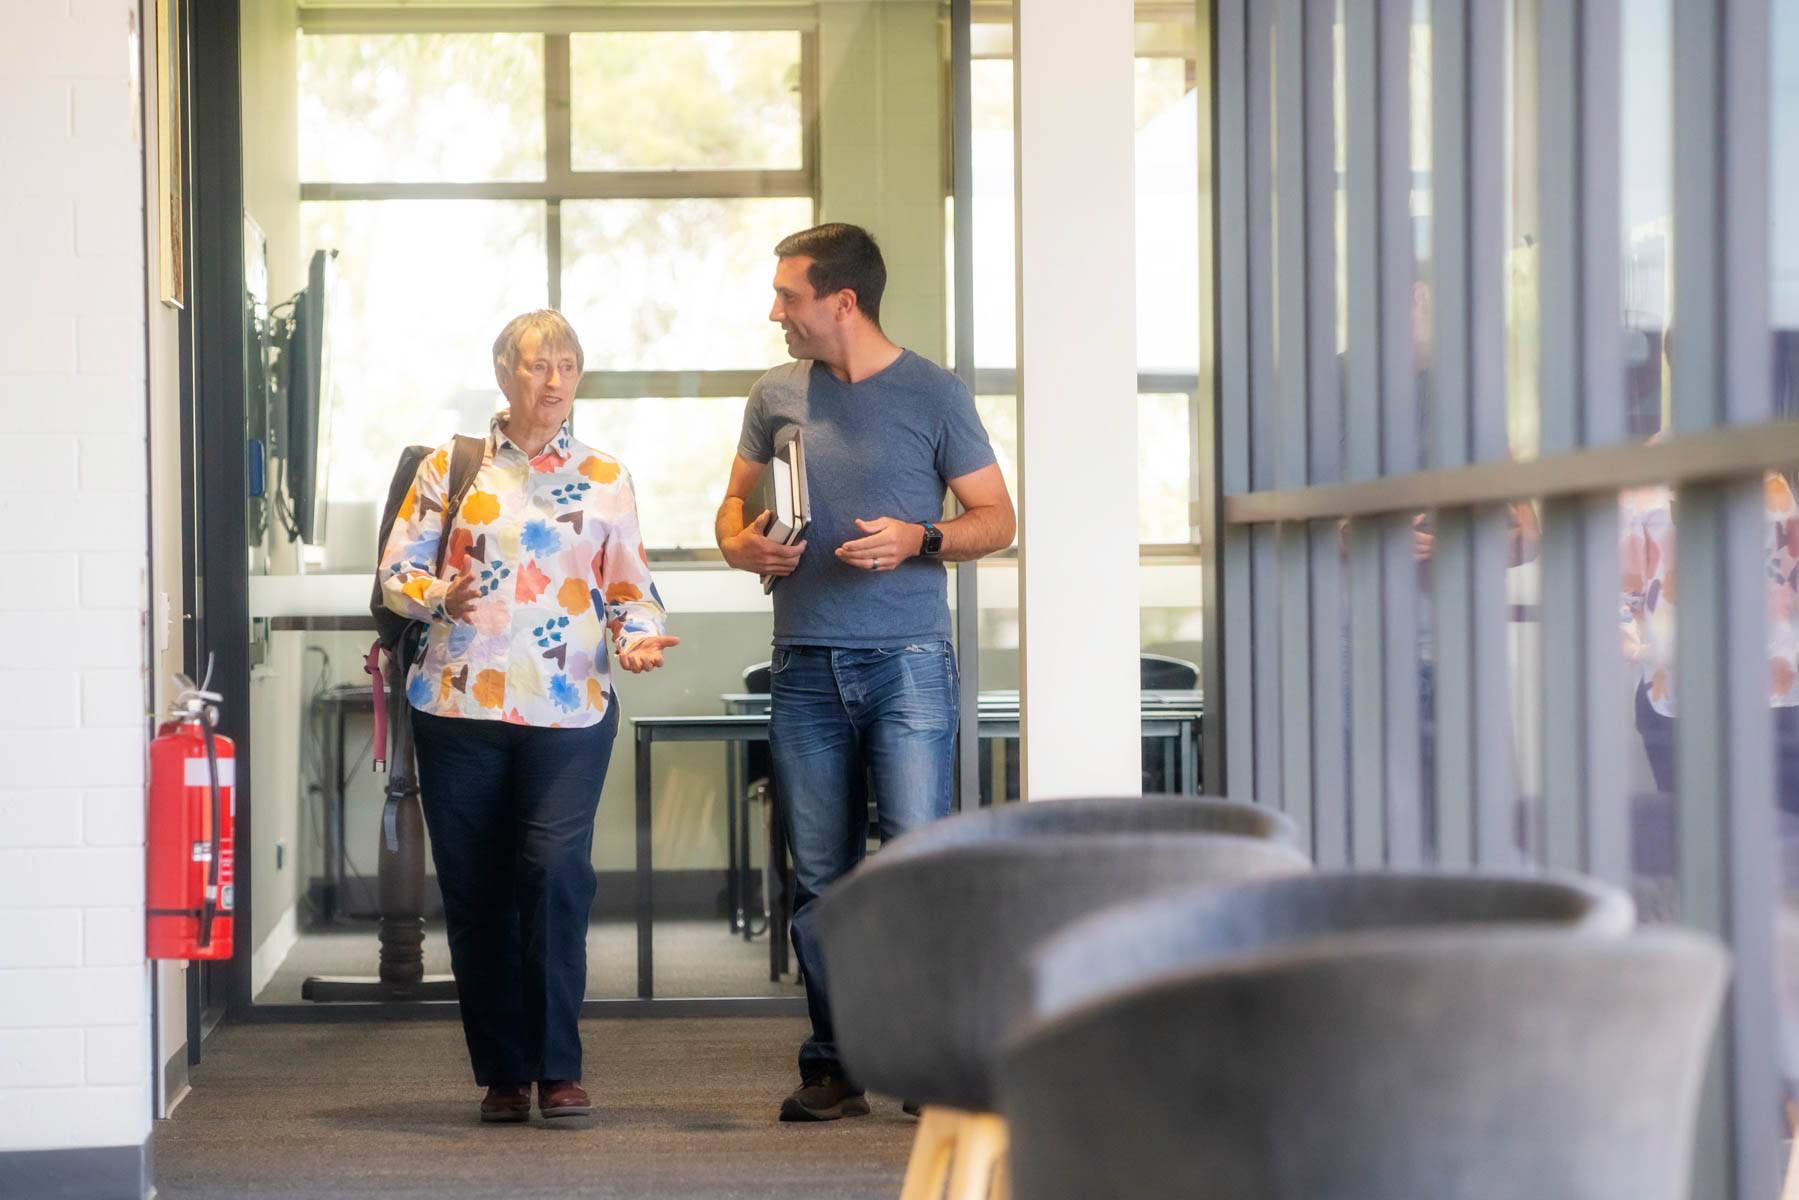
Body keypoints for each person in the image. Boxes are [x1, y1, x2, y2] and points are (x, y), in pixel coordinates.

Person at [714, 224, 1015, 1121]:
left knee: (917, 867)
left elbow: (996, 519)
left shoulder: (932, 393)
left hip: (909, 666)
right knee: (821, 878)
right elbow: (732, 506)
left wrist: (920, 538)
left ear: (841, 301)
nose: (776, 313)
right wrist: (743, 548)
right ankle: (834, 1061)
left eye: (788, 297)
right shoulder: (774, 395)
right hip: (803, 666)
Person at [379, 310, 678, 1124]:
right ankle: (504, 1074)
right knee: (477, 893)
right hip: (457, 701)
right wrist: (441, 593)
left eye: (568, 365)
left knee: (553, 876)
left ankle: (558, 1068)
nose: (553, 381)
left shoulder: (605, 473)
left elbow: (626, 586)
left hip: (568, 710)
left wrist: (641, 638)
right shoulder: (453, 466)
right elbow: (396, 574)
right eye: (536, 366)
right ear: (503, 375)